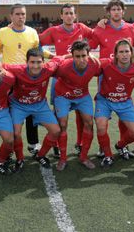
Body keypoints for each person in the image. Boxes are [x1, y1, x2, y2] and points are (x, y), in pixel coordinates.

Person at [0, 4, 53, 156]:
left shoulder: (33, 32)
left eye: (23, 14)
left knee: (31, 111)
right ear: (11, 16)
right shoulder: (3, 32)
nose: (21, 17)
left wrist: (54, 57)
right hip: (9, 78)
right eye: (17, 14)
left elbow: (39, 50)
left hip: (29, 76)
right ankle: (9, 145)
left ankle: (33, 144)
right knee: (10, 113)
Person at [39, 3, 93, 156]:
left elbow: (96, 35)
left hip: (79, 75)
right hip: (60, 76)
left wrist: (104, 23)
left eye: (71, 13)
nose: (69, 15)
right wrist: (52, 57)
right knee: (59, 115)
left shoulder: (82, 28)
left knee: (81, 114)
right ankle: (56, 144)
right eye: (66, 13)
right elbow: (35, 43)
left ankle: (80, 142)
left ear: (75, 16)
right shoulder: (54, 31)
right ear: (61, 16)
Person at [91, 0, 134, 159]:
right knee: (102, 117)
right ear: (108, 12)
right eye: (113, 9)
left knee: (123, 111)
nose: (116, 12)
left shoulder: (132, 28)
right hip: (106, 74)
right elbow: (87, 47)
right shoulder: (100, 29)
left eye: (119, 9)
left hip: (125, 74)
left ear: (123, 11)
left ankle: (122, 145)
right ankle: (102, 147)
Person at [3, 48, 63, 171]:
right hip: (19, 105)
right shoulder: (18, 69)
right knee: (15, 133)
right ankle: (20, 158)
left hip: (39, 105)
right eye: (32, 62)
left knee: (56, 131)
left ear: (43, 62)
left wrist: (90, 57)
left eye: (39, 62)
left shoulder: (49, 68)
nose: (35, 66)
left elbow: (62, 57)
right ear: (26, 62)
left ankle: (41, 155)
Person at [53, 40, 101, 170]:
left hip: (82, 96)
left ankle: (84, 157)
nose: (81, 59)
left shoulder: (95, 65)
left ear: (89, 55)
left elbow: (108, 68)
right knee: (62, 124)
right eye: (77, 56)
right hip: (63, 96)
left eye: (84, 56)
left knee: (89, 123)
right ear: (72, 56)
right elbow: (49, 72)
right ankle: (63, 159)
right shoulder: (63, 67)